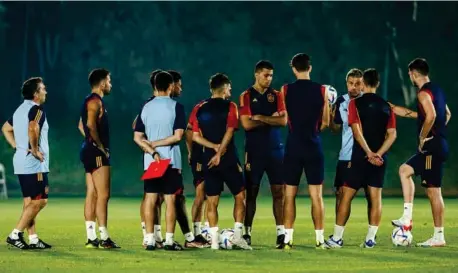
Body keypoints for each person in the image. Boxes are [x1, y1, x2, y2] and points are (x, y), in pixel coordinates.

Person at [326, 68, 397, 248]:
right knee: (375, 198)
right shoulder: (387, 106)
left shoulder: (354, 104)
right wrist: (378, 154)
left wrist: (368, 153)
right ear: (378, 84)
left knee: (346, 197)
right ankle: (370, 239)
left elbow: (357, 132)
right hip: (379, 159)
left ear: (363, 83)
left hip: (358, 157)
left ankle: (337, 238)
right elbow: (392, 135)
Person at [392, 58, 451, 247]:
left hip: (432, 148)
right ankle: (407, 219)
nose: (409, 76)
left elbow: (432, 115)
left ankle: (439, 236)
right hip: (438, 144)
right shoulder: (437, 90)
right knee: (404, 170)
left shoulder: (423, 93)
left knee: (433, 192)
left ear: (414, 73)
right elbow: (446, 114)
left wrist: (423, 137)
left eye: (409, 73)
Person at [191, 73, 251, 250]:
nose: (230, 91)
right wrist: (220, 151)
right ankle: (238, 236)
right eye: (229, 88)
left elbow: (195, 136)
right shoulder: (231, 106)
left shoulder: (198, 108)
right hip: (228, 160)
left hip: (209, 160)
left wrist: (213, 147)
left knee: (212, 201)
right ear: (224, 88)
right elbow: (230, 130)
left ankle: (215, 242)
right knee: (240, 196)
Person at [279, 53, 330, 249]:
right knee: (316, 196)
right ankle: (319, 239)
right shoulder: (322, 90)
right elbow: (325, 122)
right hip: (313, 146)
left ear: (293, 69)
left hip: (293, 146)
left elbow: (284, 119)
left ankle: (288, 239)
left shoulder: (285, 90)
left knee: (289, 194)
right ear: (310, 68)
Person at [133, 71, 185, 251]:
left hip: (152, 162)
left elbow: (137, 137)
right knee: (170, 199)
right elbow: (178, 136)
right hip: (170, 160)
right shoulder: (176, 107)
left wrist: (151, 149)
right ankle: (169, 240)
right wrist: (158, 144)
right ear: (171, 86)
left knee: (150, 197)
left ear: (155, 86)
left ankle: (149, 239)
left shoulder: (146, 107)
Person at [239, 60, 286, 247]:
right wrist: (271, 119)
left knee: (279, 192)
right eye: (266, 75)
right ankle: (247, 232)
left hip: (276, 150)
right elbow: (246, 124)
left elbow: (283, 121)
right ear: (256, 74)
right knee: (251, 193)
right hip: (254, 151)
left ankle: (281, 233)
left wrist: (260, 117)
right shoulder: (246, 96)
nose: (269, 79)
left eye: (271, 75)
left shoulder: (277, 95)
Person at [3, 77, 52, 250]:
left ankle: (33, 238)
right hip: (33, 163)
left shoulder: (19, 110)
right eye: (43, 89)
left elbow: (5, 128)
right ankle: (15, 234)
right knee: (40, 201)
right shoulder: (37, 109)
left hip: (21, 161)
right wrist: (34, 149)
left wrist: (17, 146)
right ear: (36, 94)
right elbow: (33, 127)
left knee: (29, 201)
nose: (45, 91)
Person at [78, 68, 120, 248]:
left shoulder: (88, 100)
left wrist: (88, 141)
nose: (110, 84)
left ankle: (91, 237)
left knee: (92, 193)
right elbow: (89, 125)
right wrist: (100, 146)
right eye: (109, 81)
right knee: (104, 195)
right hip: (96, 153)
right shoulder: (96, 101)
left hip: (88, 150)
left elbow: (80, 125)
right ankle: (104, 237)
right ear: (102, 83)